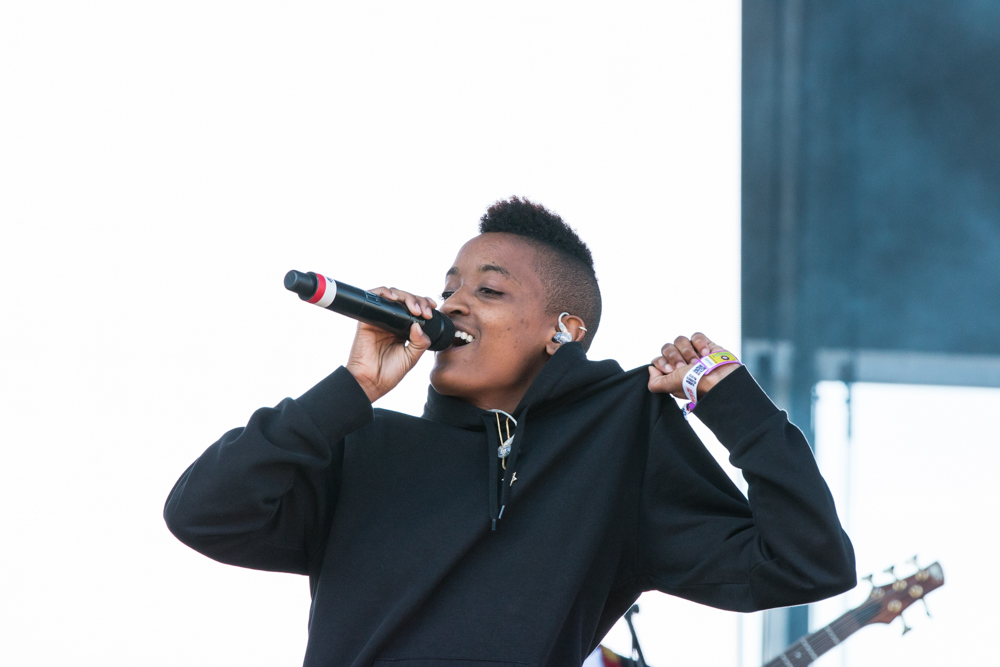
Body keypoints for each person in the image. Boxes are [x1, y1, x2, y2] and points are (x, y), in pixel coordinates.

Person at [164, 197, 855, 667]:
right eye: (451, 285)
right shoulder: (363, 445)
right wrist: (353, 388)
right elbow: (204, 512)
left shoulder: (620, 448)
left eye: (489, 291)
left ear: (565, 330)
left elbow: (808, 560)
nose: (453, 301)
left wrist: (735, 405)